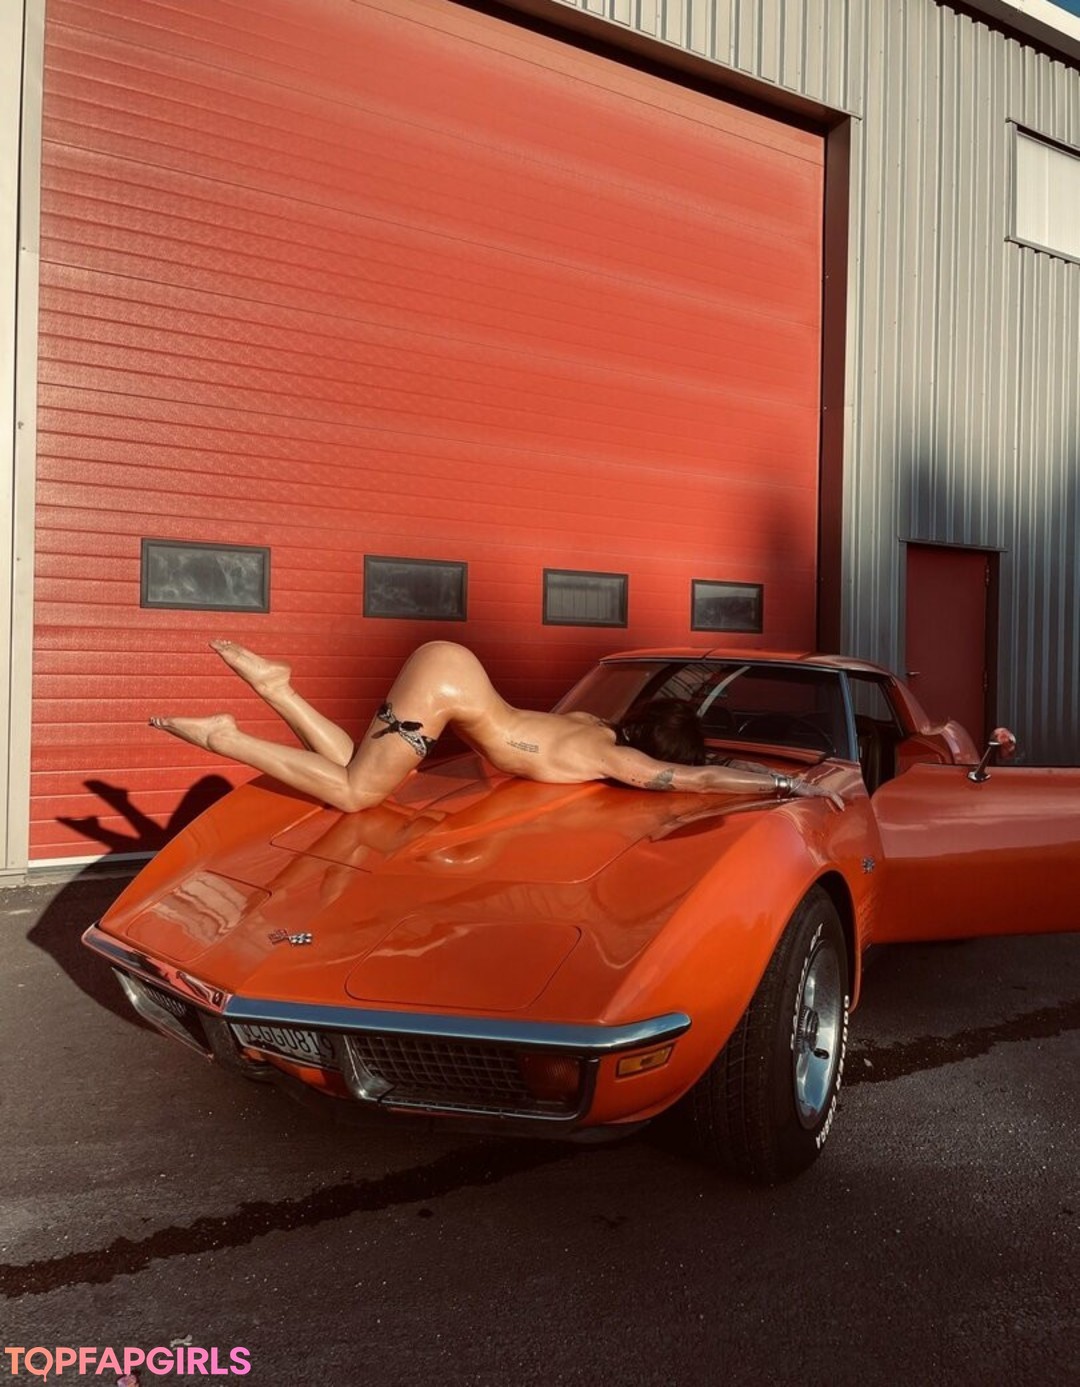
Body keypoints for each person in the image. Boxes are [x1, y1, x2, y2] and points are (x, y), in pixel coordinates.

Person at [150, 640, 844, 812]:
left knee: (363, 771)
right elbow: (695, 780)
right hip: (449, 687)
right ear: (657, 756)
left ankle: (279, 689)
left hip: (449, 670)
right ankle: (226, 737)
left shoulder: (594, 722)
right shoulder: (613, 761)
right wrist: (788, 785)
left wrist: (755, 767)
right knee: (358, 794)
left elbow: (700, 765)